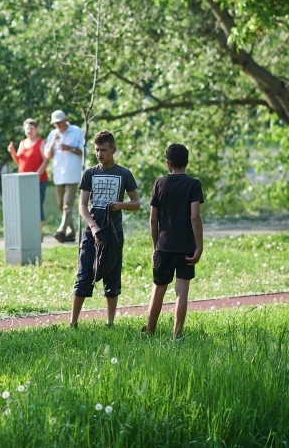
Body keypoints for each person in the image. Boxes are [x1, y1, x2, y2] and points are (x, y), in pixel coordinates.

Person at [69, 131, 140, 327]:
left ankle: (110, 322)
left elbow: (137, 203)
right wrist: (93, 227)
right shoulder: (90, 173)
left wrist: (121, 204)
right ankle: (73, 322)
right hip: (92, 233)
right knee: (84, 275)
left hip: (114, 235)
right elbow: (82, 206)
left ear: (113, 150)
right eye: (97, 150)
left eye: (104, 150)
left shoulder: (124, 173)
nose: (99, 154)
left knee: (112, 276)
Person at [143, 144, 204, 340]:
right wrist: (199, 246)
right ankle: (177, 336)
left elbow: (153, 219)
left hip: (164, 245)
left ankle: (149, 331)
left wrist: (155, 246)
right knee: (182, 292)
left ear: (169, 163)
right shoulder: (194, 185)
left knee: (159, 289)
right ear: (186, 162)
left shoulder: (160, 183)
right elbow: (195, 217)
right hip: (186, 246)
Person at [44, 110, 85, 243]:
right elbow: (48, 156)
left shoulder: (76, 131)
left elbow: (85, 151)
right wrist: (52, 142)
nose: (57, 125)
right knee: (61, 205)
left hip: (72, 173)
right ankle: (71, 231)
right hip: (58, 174)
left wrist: (71, 148)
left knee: (68, 204)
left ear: (65, 119)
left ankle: (61, 230)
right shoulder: (52, 134)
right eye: (55, 123)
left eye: (59, 122)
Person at [8, 118, 49, 232]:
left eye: (32, 128)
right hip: (23, 180)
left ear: (36, 129)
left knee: (37, 205)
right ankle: (27, 230)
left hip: (39, 180)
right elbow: (19, 161)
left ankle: (38, 232)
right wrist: (12, 152)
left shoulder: (41, 142)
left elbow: (46, 160)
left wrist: (36, 175)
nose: (29, 131)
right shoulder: (22, 142)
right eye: (27, 129)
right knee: (24, 205)